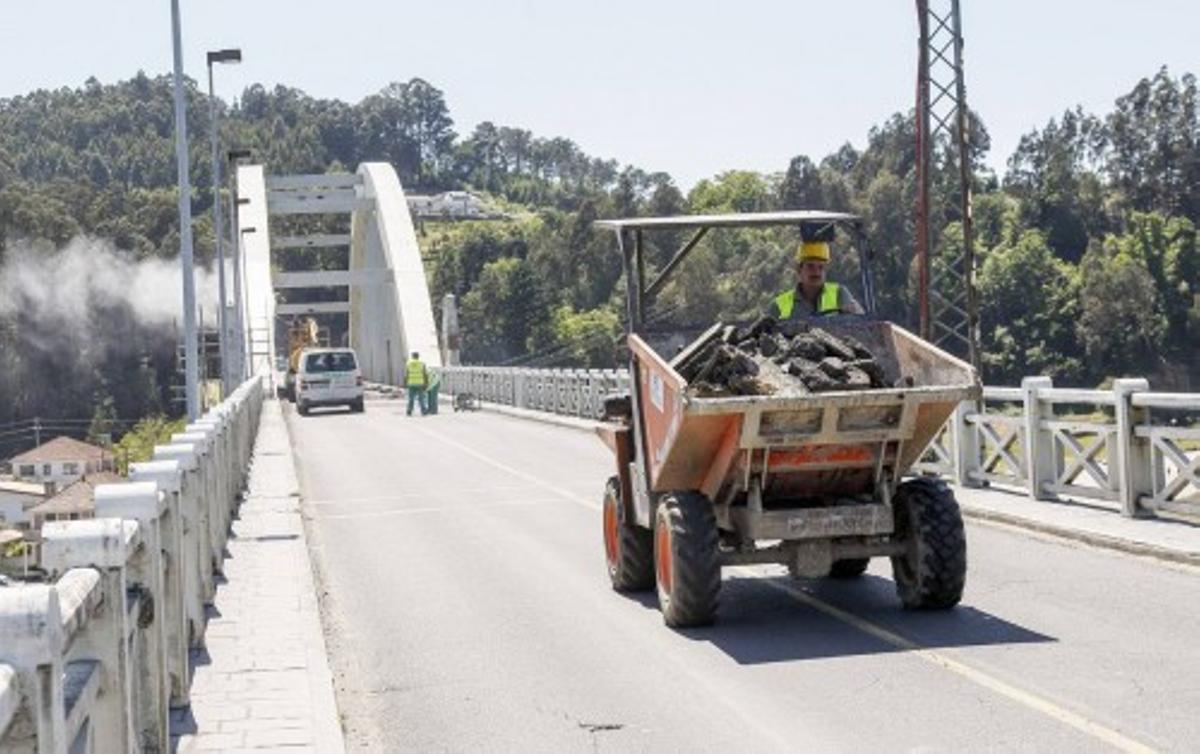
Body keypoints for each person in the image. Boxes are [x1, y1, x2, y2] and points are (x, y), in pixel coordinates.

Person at [771, 240, 864, 319]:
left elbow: (862, 326)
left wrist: (856, 313)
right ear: (799, 270)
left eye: (821, 267)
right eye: (810, 266)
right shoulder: (779, 306)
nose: (816, 272)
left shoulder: (839, 294)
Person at [405, 351, 429, 416]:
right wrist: (426, 383)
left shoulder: (408, 364)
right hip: (420, 383)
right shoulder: (422, 364)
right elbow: (425, 374)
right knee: (421, 398)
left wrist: (406, 383)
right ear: (418, 356)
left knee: (411, 398)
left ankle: (409, 411)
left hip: (411, 383)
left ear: (412, 356)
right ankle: (423, 411)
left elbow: (407, 374)